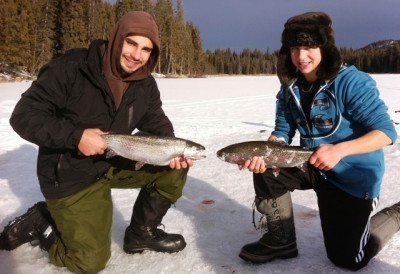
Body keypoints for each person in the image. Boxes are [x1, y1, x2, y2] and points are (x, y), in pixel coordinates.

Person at [0, 11, 193, 273]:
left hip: (111, 162)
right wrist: (76, 136)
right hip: (70, 173)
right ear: (117, 39)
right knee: (88, 262)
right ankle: (42, 222)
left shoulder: (144, 83)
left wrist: (172, 149)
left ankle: (141, 233)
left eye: (146, 49)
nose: (137, 55)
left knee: (174, 168)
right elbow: (23, 116)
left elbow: (156, 121)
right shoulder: (72, 68)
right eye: (132, 43)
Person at [239, 11, 399, 271]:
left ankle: (397, 213)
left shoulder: (351, 82)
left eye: (309, 46)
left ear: (325, 47)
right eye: (294, 48)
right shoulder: (290, 86)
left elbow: (386, 132)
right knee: (268, 170)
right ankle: (281, 240)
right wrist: (271, 147)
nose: (301, 57)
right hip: (311, 165)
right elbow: (283, 129)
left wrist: (340, 150)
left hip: (353, 179)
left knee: (348, 259)